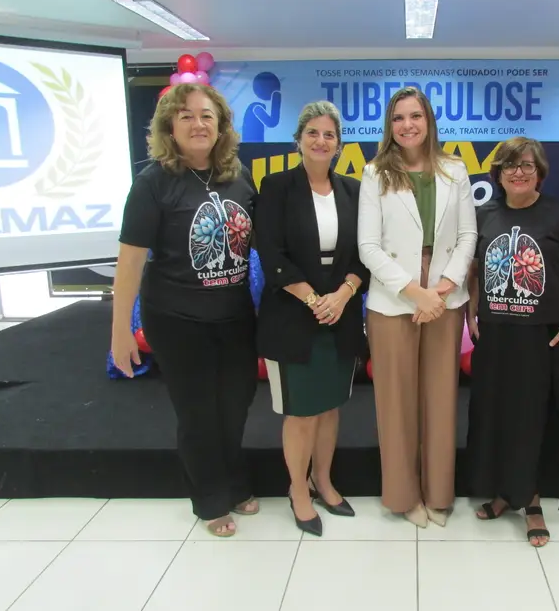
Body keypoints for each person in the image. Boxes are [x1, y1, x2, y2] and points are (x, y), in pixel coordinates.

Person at [111, 83, 259, 538]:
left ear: (221, 126)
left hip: (234, 317)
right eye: (187, 116)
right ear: (170, 127)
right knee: (198, 413)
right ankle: (210, 499)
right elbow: (130, 263)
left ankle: (233, 482)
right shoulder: (152, 183)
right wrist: (119, 333)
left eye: (207, 116)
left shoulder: (239, 176)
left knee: (234, 407)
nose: (198, 124)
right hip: (176, 321)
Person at [358, 86, 477, 528]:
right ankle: (405, 495)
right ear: (389, 127)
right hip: (394, 300)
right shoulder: (375, 173)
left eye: (415, 116)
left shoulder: (454, 170)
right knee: (396, 402)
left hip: (446, 295)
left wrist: (442, 290)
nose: (407, 125)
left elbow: (468, 237)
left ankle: (439, 493)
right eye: (398, 118)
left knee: (440, 398)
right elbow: (368, 246)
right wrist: (415, 292)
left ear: (429, 121)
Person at [255, 101, 368, 537]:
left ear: (339, 144)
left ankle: (323, 480)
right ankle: (297, 490)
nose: (321, 141)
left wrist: (342, 295)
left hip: (340, 313)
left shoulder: (353, 190)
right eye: (313, 133)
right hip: (292, 315)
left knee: (331, 407)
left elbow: (365, 252)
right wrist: (312, 298)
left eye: (329, 135)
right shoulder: (277, 186)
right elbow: (272, 253)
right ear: (299, 139)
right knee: (301, 413)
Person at [465, 137, 559, 547]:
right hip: (495, 333)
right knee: (494, 414)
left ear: (540, 171)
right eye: (510, 165)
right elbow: (476, 269)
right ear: (498, 173)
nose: (518, 172)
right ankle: (504, 492)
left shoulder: (558, 213)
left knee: (532, 418)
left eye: (527, 165)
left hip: (542, 336)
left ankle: (530, 500)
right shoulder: (484, 214)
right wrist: (471, 312)